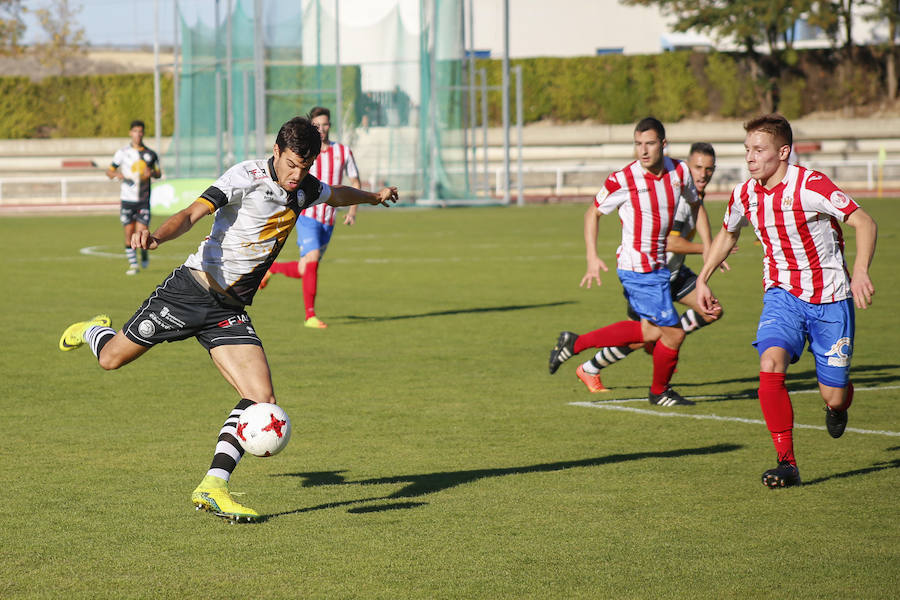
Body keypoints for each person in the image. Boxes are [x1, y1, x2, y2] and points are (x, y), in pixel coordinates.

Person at [59, 116, 399, 521]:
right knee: (111, 359)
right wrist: (156, 237)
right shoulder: (245, 176)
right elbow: (191, 213)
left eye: (305, 167)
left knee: (263, 398)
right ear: (276, 151)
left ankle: (214, 485)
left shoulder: (304, 188)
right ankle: (93, 329)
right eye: (291, 164)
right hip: (189, 291)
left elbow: (335, 194)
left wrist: (374, 197)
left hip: (228, 311)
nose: (297, 175)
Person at [695, 113, 877, 488]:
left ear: (783, 152)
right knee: (770, 362)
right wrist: (702, 279)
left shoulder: (810, 185)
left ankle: (837, 403)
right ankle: (787, 463)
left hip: (830, 298)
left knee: (835, 394)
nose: (750, 157)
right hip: (783, 295)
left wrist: (859, 271)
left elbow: (864, 222)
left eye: (758, 150)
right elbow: (728, 234)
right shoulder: (745, 194)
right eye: (747, 150)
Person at [548, 117, 714, 406]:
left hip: (659, 268)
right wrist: (591, 256)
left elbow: (696, 205)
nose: (643, 151)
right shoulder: (624, 178)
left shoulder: (680, 172)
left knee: (648, 333)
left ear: (663, 143)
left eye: (649, 144)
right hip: (636, 268)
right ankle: (659, 392)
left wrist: (710, 247)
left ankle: (574, 343)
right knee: (673, 334)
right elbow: (593, 213)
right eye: (638, 144)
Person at [575, 142, 732, 393]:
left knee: (711, 311)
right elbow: (670, 241)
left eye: (709, 169)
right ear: (686, 166)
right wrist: (709, 249)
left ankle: (664, 341)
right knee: (642, 336)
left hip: (675, 273)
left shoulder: (693, 197)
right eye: (698, 168)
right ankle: (590, 366)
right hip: (650, 275)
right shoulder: (677, 197)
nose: (703, 174)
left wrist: (709, 249)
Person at [260, 106, 362, 329]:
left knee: (306, 268)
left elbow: (354, 181)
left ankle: (273, 269)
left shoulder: (343, 152)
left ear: (330, 126)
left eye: (325, 125)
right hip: (308, 215)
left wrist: (353, 210)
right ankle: (310, 316)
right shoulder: (306, 152)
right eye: (317, 126)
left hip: (328, 219)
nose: (322, 129)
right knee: (313, 258)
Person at [107, 120, 162, 275]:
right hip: (127, 200)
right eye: (135, 131)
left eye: (140, 131)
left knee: (142, 231)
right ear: (130, 133)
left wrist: (151, 173)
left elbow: (158, 173)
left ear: (143, 133)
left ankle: (143, 253)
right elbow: (109, 171)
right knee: (129, 233)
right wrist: (117, 174)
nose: (138, 134)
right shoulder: (122, 153)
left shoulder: (150, 154)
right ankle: (133, 265)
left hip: (143, 200)